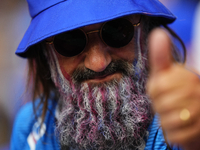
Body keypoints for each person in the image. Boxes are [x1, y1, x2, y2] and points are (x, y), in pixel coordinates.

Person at [10, 0, 200, 150]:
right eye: (69, 41)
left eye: (117, 30)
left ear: (145, 32)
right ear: (47, 55)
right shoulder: (30, 128)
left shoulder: (181, 112)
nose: (98, 63)